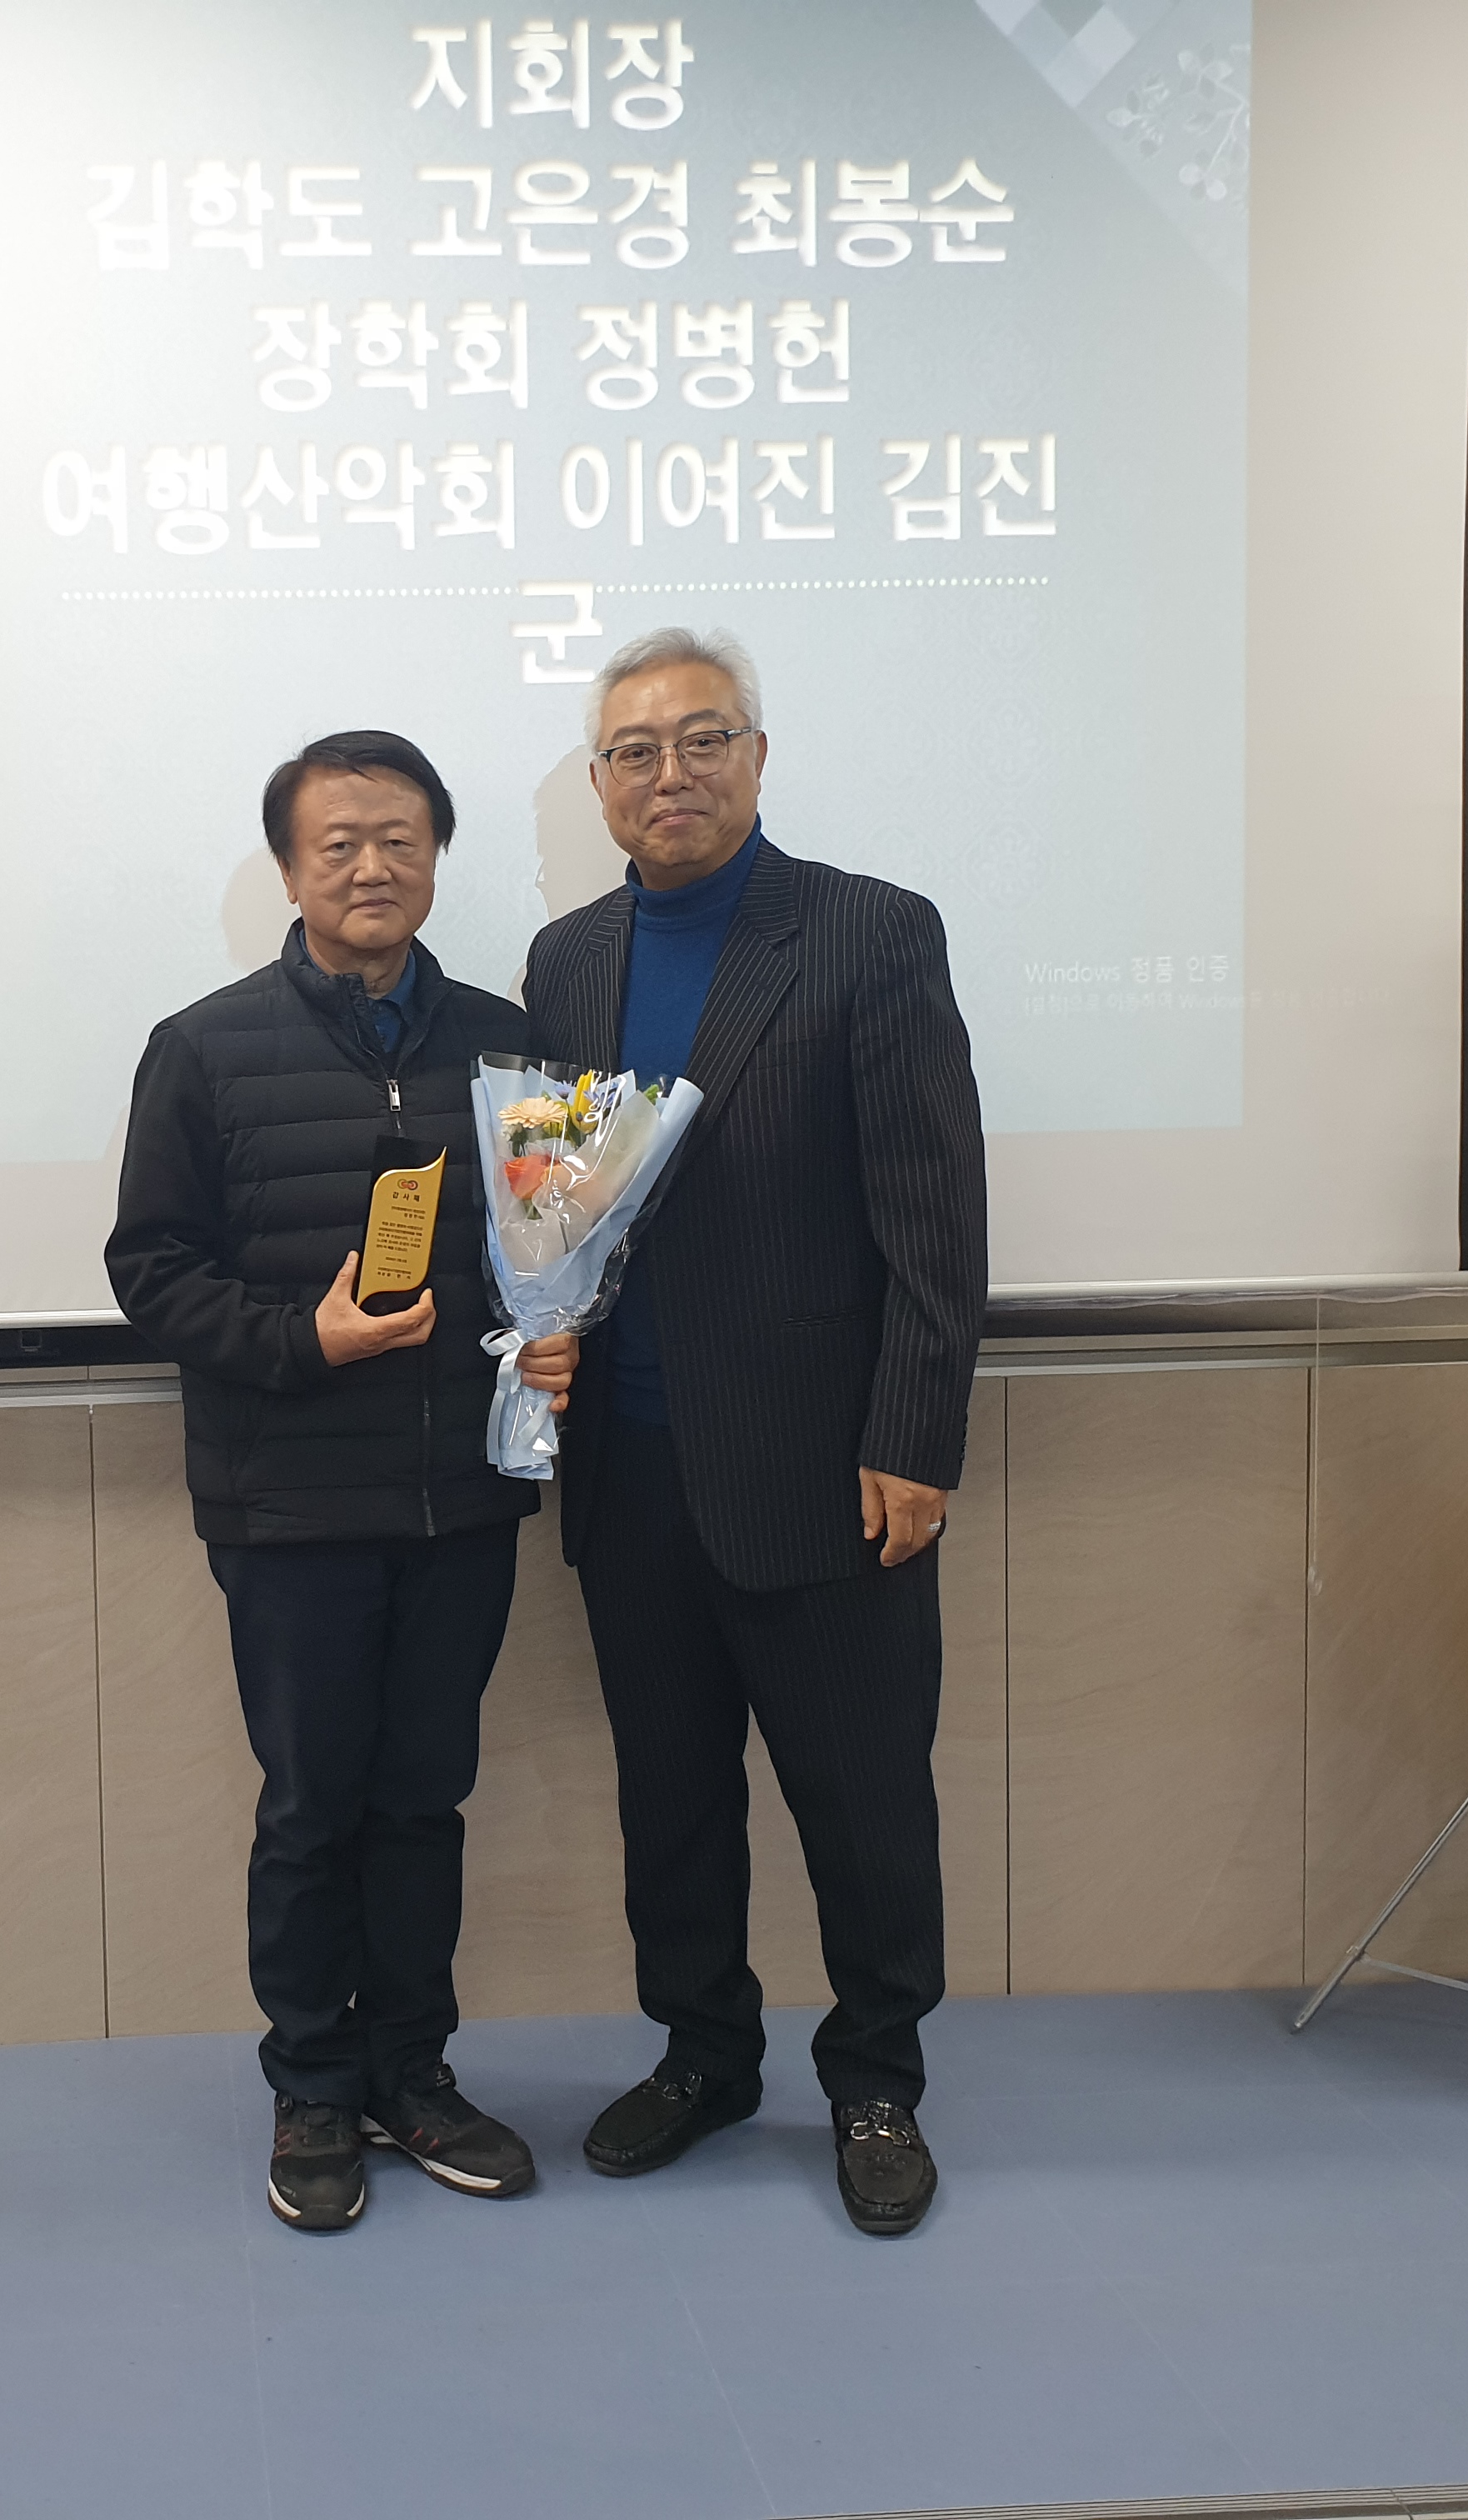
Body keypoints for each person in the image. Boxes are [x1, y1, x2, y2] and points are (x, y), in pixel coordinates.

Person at [521, 628, 987, 2236]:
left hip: (827, 1468)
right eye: (635, 751)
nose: (672, 774)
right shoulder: (566, 960)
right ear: (600, 786)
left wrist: (915, 1439)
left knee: (863, 1802)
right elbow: (554, 1210)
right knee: (672, 1799)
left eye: (703, 739)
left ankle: (876, 2079)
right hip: (630, 1469)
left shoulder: (869, 934)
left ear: (759, 757)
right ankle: (705, 2054)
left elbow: (934, 1217)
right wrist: (540, 1329)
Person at [108, 729, 576, 2232]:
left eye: (401, 841)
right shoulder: (203, 1048)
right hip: (290, 1502)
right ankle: (313, 2086)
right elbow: (150, 1270)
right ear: (290, 868)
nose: (374, 867)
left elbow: (554, 1244)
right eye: (340, 844)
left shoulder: (510, 1046)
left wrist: (557, 1334)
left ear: (436, 857)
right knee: (313, 1806)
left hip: (460, 1497)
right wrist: (297, 1341)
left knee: (425, 1801)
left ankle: (412, 2075)